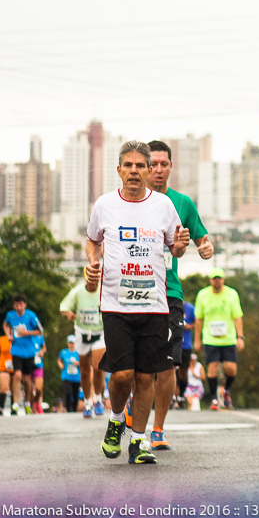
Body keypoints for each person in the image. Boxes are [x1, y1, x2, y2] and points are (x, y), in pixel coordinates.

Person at [86, 140, 188, 465]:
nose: (134, 171)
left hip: (154, 304)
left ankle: (140, 442)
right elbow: (91, 240)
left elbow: (176, 248)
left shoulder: (163, 206)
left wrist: (183, 245)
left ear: (148, 171)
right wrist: (92, 263)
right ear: (118, 170)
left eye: (140, 166)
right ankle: (117, 420)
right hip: (116, 305)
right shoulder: (104, 205)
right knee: (121, 374)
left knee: (146, 377)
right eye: (128, 165)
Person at [143, 140, 213, 448]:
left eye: (163, 164)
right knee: (137, 366)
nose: (158, 170)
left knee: (168, 363)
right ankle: (132, 420)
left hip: (169, 291)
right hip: (136, 292)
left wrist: (207, 248)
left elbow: (203, 241)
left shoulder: (182, 203)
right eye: (152, 164)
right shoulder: (131, 201)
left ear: (171, 167)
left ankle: (157, 429)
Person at [59, 271, 108, 418]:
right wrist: (69, 314)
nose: (93, 284)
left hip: (99, 332)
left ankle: (98, 399)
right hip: (82, 332)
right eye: (91, 281)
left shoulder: (104, 290)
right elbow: (64, 307)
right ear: (86, 280)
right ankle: (88, 402)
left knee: (98, 367)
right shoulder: (78, 291)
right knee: (85, 371)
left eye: (96, 281)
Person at [193, 269, 243, 411]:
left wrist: (240, 337)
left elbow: (238, 316)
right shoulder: (203, 295)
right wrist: (197, 340)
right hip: (210, 338)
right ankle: (214, 398)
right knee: (212, 369)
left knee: (231, 369)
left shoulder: (231, 294)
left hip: (228, 338)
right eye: (214, 278)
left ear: (223, 279)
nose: (217, 281)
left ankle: (226, 390)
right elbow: (198, 319)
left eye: (219, 278)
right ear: (210, 280)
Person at [3, 293, 43, 415]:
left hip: (29, 351)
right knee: (18, 375)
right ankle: (15, 403)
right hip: (16, 350)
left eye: (21, 304)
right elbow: (5, 324)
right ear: (14, 305)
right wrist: (8, 335)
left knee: (26, 380)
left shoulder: (31, 316)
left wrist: (27, 333)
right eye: (16, 305)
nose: (18, 307)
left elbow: (40, 331)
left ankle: (27, 402)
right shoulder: (10, 315)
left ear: (24, 304)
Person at [58, 336, 82, 413]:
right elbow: (59, 360)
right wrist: (60, 365)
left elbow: (84, 363)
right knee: (68, 392)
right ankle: (68, 410)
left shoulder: (78, 352)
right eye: (70, 342)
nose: (71, 344)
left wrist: (78, 363)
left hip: (76, 377)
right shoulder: (64, 352)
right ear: (68, 343)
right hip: (66, 376)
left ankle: (74, 410)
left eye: (73, 343)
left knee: (75, 394)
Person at [32, 333, 46, 413]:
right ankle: (31, 406)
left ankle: (36, 402)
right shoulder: (24, 334)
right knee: (29, 386)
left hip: (38, 364)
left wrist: (42, 351)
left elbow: (44, 347)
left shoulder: (40, 336)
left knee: (39, 388)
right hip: (28, 362)